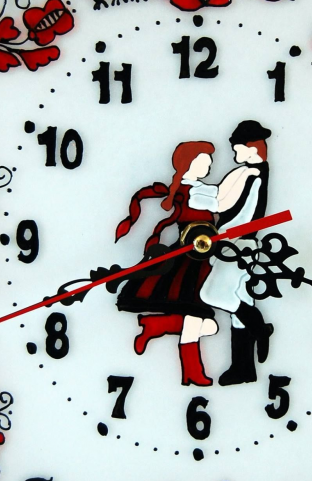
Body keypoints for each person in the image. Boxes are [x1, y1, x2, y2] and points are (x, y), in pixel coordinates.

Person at [114, 141, 220, 387]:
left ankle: (156, 325)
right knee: (196, 319)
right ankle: (192, 372)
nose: (209, 165)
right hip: (191, 259)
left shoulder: (198, 188)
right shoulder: (191, 191)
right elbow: (219, 203)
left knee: (210, 325)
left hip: (204, 257)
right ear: (188, 164)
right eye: (204, 160)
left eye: (209, 160)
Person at [200, 120, 273, 386]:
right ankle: (244, 369)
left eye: (237, 147)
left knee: (212, 294)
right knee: (239, 306)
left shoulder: (249, 173)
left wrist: (191, 190)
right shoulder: (256, 171)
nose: (234, 152)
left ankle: (259, 327)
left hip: (235, 245)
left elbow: (225, 204)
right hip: (244, 245)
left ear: (251, 147)